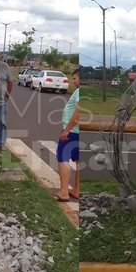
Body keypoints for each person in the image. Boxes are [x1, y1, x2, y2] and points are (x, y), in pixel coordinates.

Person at [52, 68, 80, 202]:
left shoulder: (80, 91)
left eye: (74, 78)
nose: (73, 81)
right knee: (79, 161)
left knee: (63, 159)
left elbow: (78, 112)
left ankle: (64, 192)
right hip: (79, 133)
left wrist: (67, 129)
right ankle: (76, 189)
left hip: (72, 132)